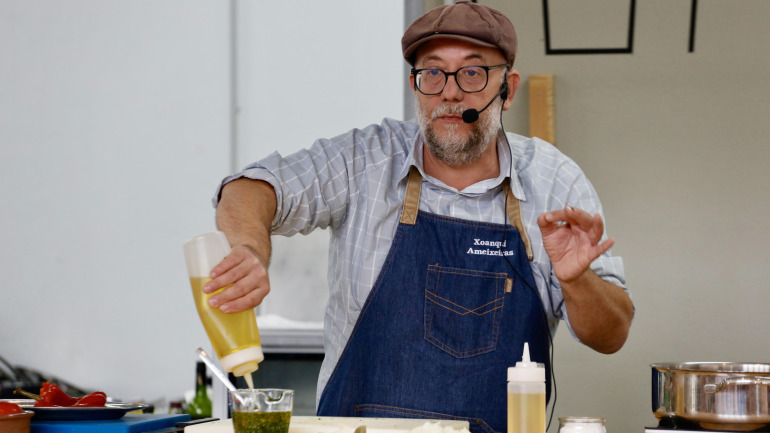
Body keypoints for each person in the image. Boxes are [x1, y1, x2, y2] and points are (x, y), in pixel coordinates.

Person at [207, 2, 634, 432]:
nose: (450, 93)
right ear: (416, 85)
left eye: (472, 72)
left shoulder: (553, 180)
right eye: (432, 73)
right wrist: (249, 248)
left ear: (509, 88)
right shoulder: (364, 160)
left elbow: (611, 335)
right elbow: (249, 187)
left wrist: (577, 280)